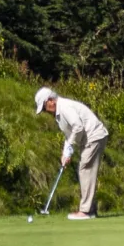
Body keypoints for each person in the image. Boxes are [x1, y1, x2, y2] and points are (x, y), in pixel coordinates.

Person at [33, 85, 110, 220]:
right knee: (85, 170)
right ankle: (90, 209)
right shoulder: (59, 113)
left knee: (85, 169)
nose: (45, 111)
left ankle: (86, 211)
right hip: (89, 138)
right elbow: (70, 135)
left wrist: (70, 148)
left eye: (45, 107)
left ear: (50, 100)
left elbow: (78, 127)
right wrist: (66, 152)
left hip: (94, 136)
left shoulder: (64, 107)